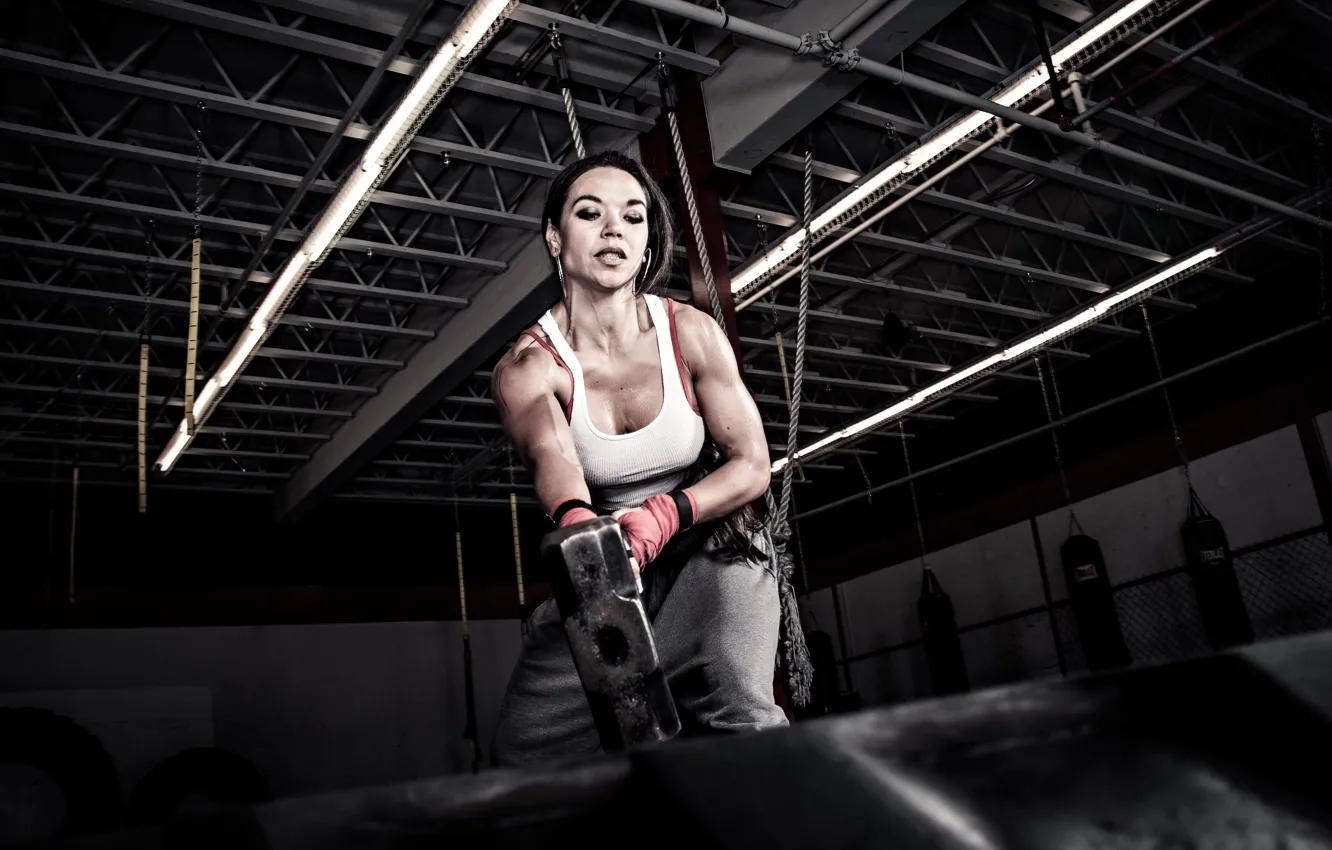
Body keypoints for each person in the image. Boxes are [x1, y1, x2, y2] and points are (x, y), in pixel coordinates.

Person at [488, 149, 793, 767]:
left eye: (633, 217)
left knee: (743, 713)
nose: (613, 231)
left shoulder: (692, 332)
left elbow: (753, 464)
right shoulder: (528, 366)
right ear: (555, 237)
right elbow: (553, 456)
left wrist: (667, 513)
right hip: (606, 570)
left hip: (712, 543)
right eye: (589, 213)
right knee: (524, 751)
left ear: (649, 240)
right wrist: (578, 523)